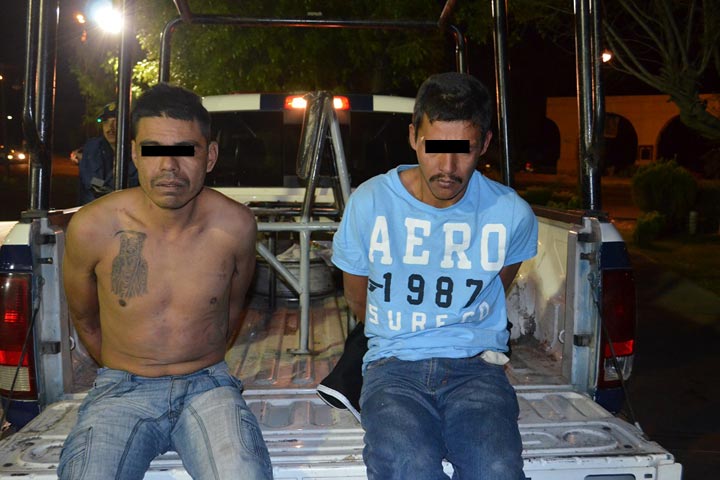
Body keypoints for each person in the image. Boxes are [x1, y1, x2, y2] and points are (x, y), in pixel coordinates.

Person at [328, 72, 538, 479]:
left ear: (485, 144)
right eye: (435, 147)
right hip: (393, 368)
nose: (448, 167)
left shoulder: (512, 214)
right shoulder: (370, 203)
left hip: (477, 370)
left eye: (464, 150)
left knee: (496, 469)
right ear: (413, 137)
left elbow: (494, 287)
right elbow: (357, 298)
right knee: (408, 466)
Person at [58, 83, 273, 480]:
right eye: (154, 150)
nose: (169, 167)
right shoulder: (93, 227)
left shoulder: (236, 226)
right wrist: (129, 365)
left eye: (186, 151)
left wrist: (196, 360)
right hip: (121, 389)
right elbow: (84, 317)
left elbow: (230, 308)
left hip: (208, 384)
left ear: (210, 156)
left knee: (243, 472)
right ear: (135, 153)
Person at [78, 101, 139, 205]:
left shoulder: (140, 150)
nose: (110, 127)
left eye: (116, 121)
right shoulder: (93, 148)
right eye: (105, 122)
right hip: (94, 209)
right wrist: (105, 187)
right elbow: (89, 179)